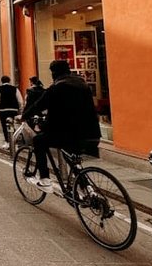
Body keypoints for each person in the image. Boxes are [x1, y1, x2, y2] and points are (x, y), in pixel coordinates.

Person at [25, 59, 101, 192]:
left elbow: (38, 105)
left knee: (38, 141)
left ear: (53, 73)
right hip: (92, 134)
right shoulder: (83, 85)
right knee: (70, 156)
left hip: (68, 134)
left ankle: (45, 180)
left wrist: (24, 116)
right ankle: (87, 189)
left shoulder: (56, 88)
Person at [0, 75, 23, 149]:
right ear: (9, 81)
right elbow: (20, 100)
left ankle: (7, 142)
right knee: (12, 125)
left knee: (4, 126)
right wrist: (20, 109)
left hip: (3, 110)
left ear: (1, 81)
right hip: (13, 110)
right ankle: (15, 142)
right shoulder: (15, 89)